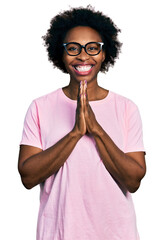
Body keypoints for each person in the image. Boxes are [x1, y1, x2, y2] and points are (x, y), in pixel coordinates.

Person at [18, 6, 146, 240]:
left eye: (93, 48)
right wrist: (75, 133)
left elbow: (134, 180)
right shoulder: (40, 107)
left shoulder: (127, 108)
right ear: (62, 53)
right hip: (59, 234)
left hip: (116, 234)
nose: (83, 56)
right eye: (73, 48)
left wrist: (96, 130)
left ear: (104, 53)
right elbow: (27, 176)